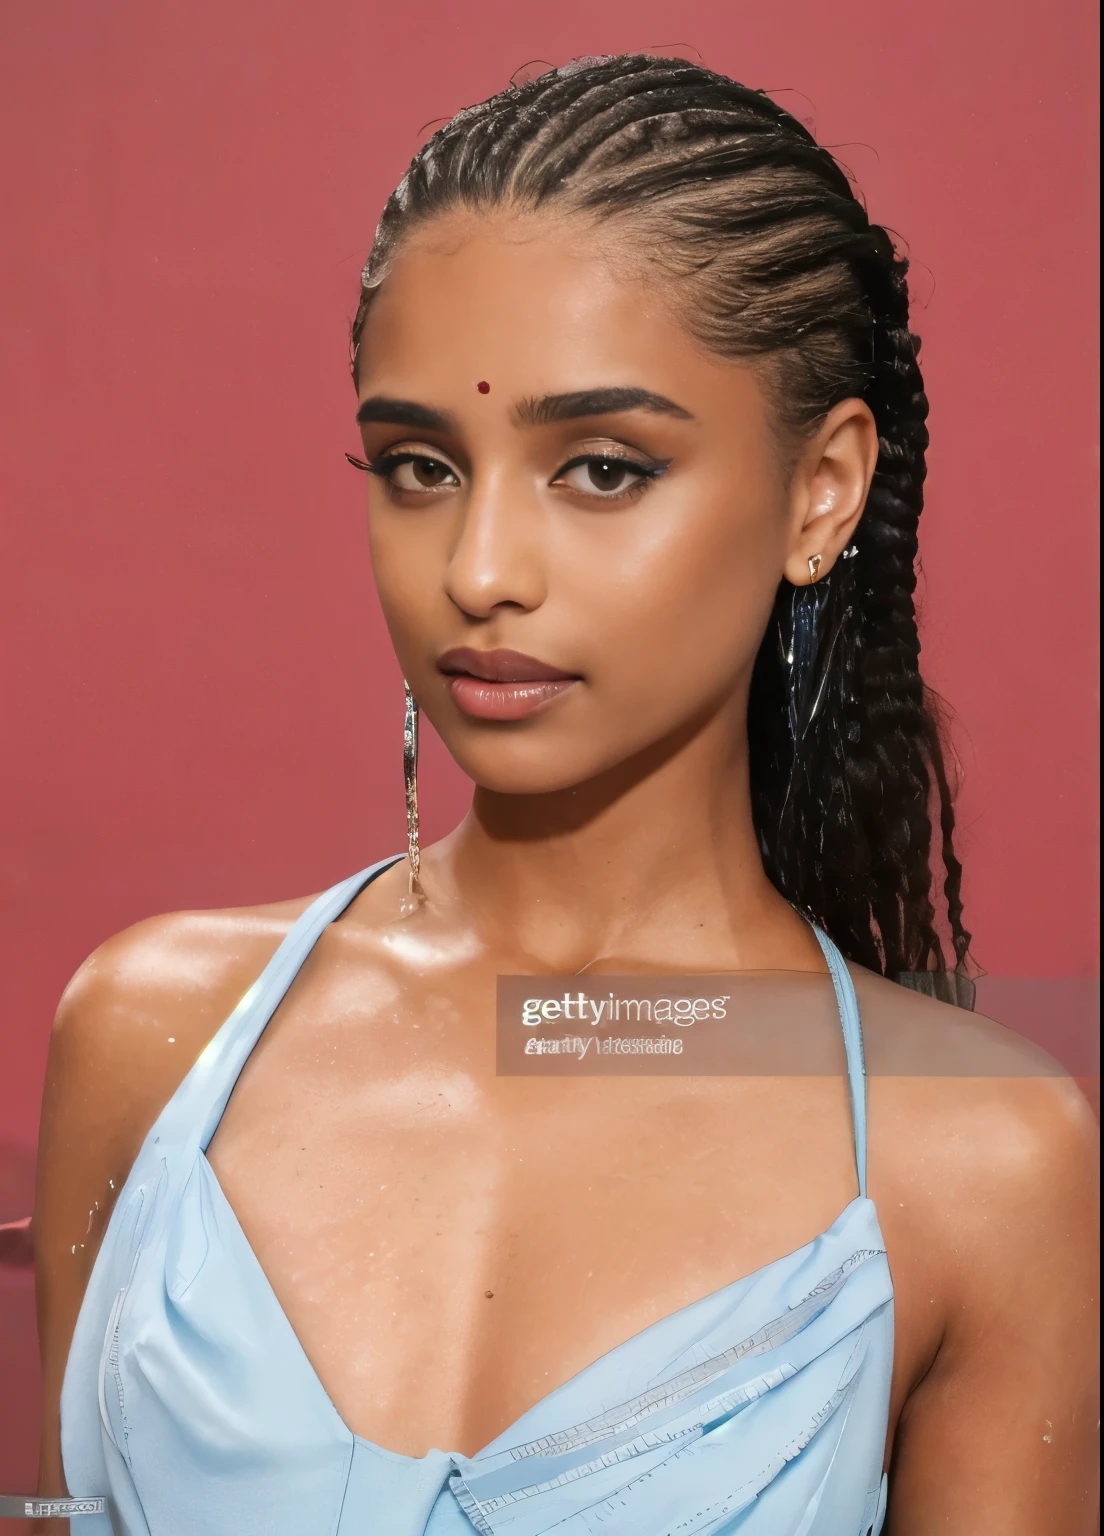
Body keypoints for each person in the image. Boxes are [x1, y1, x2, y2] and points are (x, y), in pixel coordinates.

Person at [30, 55, 1098, 1536]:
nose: (478, 571)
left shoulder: (980, 1161)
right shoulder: (153, 1037)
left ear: (821, 492)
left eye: (600, 469)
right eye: (417, 465)